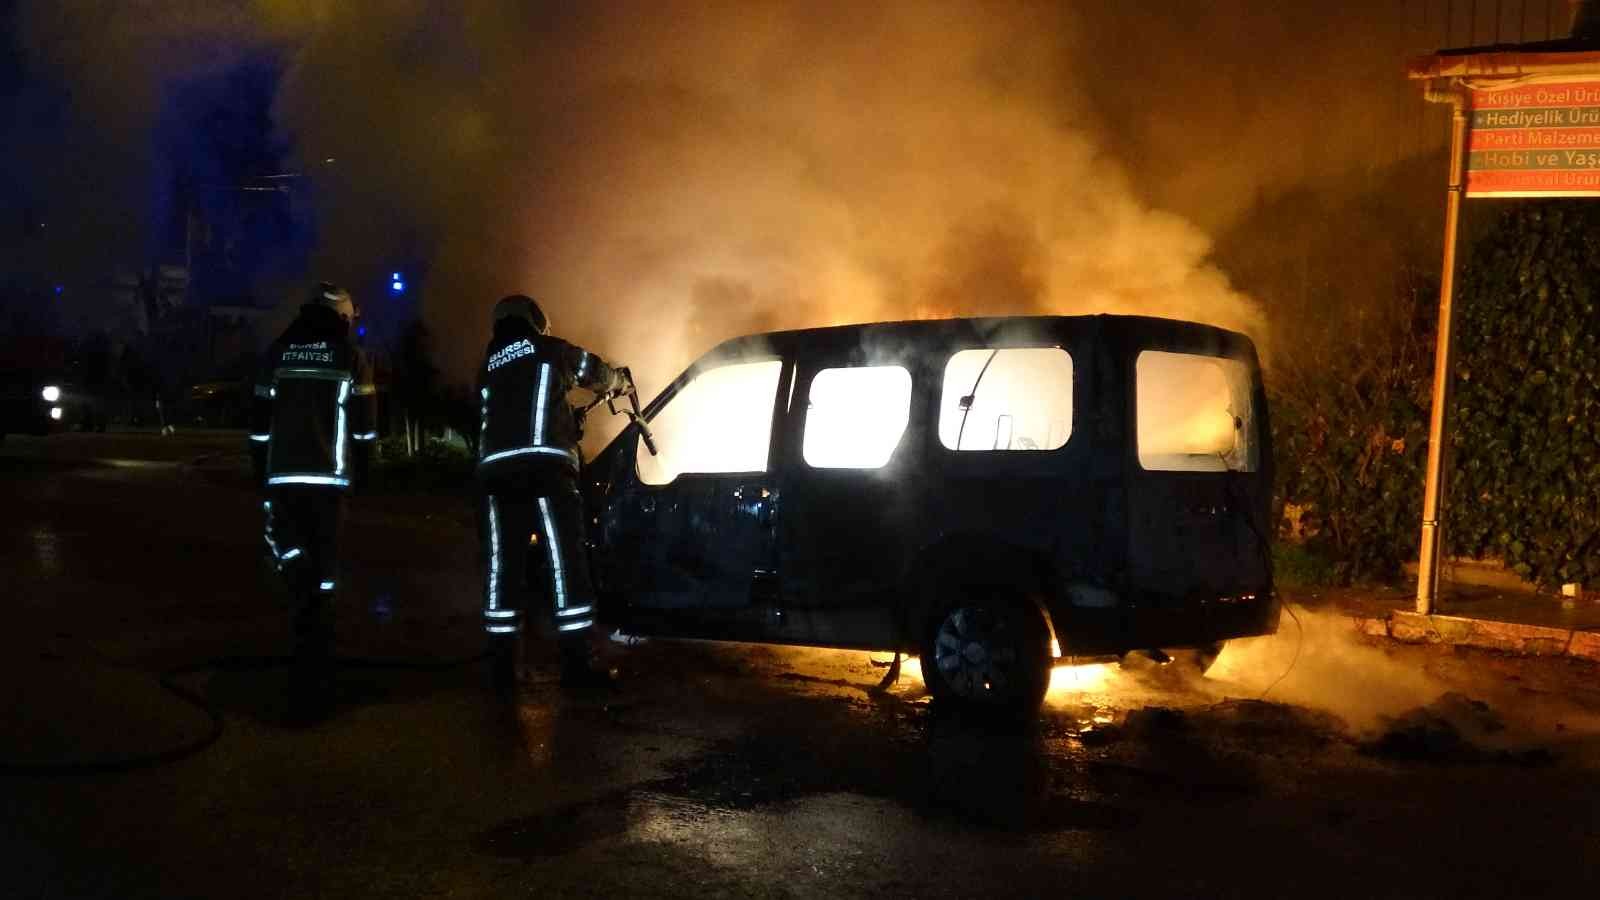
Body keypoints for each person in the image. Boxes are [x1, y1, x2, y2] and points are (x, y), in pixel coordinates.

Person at [476, 294, 629, 693]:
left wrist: (565, 417)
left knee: (502, 570)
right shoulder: (550, 349)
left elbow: (515, 413)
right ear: (535, 320)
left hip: (496, 478)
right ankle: (578, 667)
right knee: (566, 564)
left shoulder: (489, 365)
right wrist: (618, 380)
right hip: (546, 472)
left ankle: (499, 670)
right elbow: (593, 372)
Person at [249, 282, 378, 715]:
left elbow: (259, 422)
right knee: (324, 573)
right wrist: (367, 472)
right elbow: (364, 430)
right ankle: (317, 658)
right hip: (330, 480)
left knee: (289, 551)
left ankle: (302, 641)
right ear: (342, 318)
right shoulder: (351, 357)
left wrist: (259, 469)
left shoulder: (277, 353)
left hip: (283, 475)